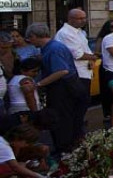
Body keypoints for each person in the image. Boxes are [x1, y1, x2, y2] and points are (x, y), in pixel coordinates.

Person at [26, 22, 88, 153]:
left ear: (34, 35)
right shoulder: (51, 48)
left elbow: (62, 71)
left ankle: (66, 150)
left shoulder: (54, 48)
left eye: (30, 38)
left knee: (64, 121)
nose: (29, 41)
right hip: (65, 88)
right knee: (67, 120)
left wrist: (38, 84)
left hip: (64, 89)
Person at [53, 9, 97, 94]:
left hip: (84, 72)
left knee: (84, 101)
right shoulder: (66, 33)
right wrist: (94, 57)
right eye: (80, 18)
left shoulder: (79, 32)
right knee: (78, 103)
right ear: (70, 19)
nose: (83, 21)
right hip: (76, 74)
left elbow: (86, 50)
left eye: (84, 18)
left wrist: (91, 59)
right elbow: (78, 55)